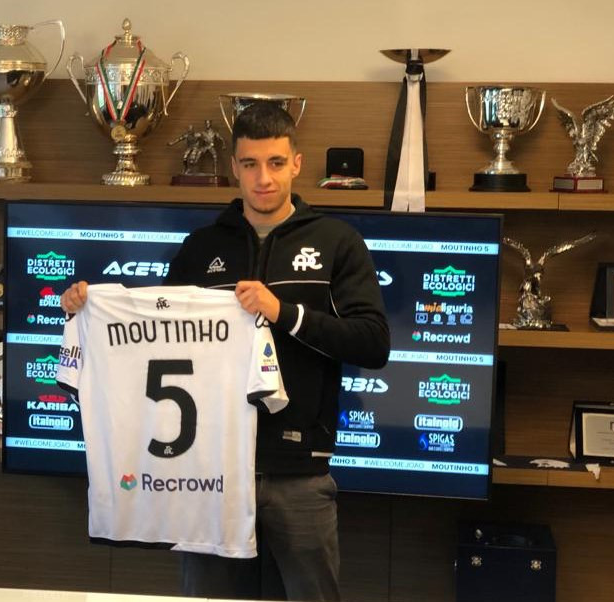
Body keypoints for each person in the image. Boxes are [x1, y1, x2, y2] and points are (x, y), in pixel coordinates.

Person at [61, 102, 390, 602]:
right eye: (251, 164)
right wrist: (90, 309)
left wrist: (284, 312)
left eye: (275, 163)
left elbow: (373, 342)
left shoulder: (337, 242)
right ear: (234, 167)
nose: (264, 178)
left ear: (296, 164)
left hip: (298, 474)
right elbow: (154, 338)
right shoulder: (201, 246)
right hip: (206, 475)